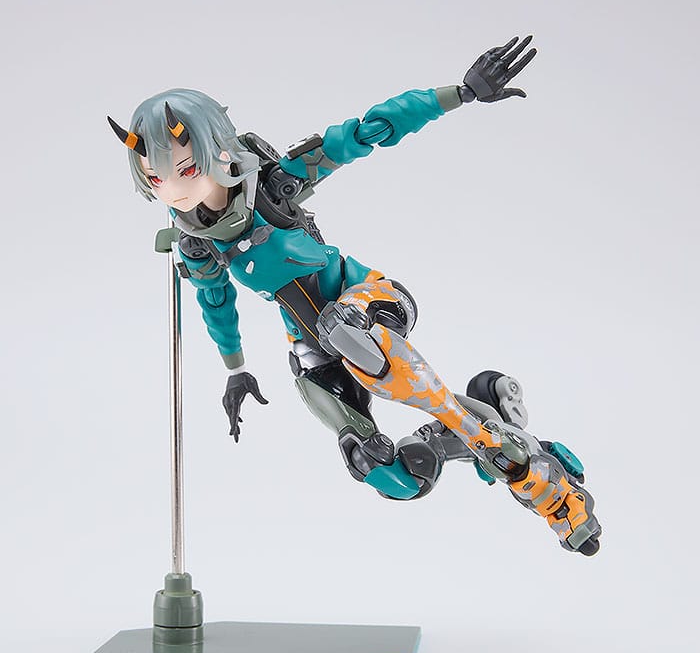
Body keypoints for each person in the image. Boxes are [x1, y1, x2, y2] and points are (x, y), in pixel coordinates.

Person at [108, 36, 602, 555]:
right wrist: (236, 370)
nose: (173, 188)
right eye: (155, 177)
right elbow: (216, 305)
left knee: (347, 334)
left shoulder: (274, 187)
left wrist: (461, 93)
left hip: (365, 299)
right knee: (388, 473)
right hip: (310, 341)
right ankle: (479, 418)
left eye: (186, 168)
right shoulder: (197, 243)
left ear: (216, 149)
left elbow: (366, 131)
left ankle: (539, 482)